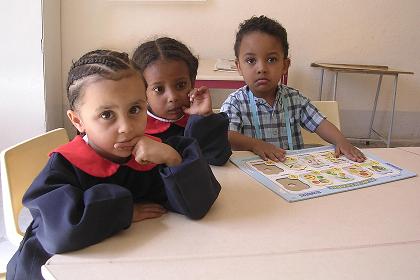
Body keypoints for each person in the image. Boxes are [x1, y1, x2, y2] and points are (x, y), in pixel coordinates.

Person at [6, 50, 221, 280]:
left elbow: (198, 205)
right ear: (78, 121)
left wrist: (173, 160)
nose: (126, 127)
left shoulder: (155, 152)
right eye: (107, 115)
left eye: (135, 110)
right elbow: (60, 232)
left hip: (128, 261)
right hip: (50, 270)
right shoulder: (63, 167)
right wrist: (124, 210)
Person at [220, 15, 366, 163]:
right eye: (251, 60)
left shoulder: (294, 99)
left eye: (271, 59)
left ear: (285, 65)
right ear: (239, 67)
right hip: (253, 174)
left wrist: (341, 141)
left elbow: (320, 123)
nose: (262, 68)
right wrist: (255, 145)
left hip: (293, 173)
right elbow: (226, 135)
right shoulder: (235, 103)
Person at [132, 37, 232, 166]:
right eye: (158, 89)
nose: (172, 97)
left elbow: (217, 158)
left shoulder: (198, 119)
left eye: (180, 85)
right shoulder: (137, 130)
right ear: (142, 91)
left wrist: (204, 118)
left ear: (192, 82)